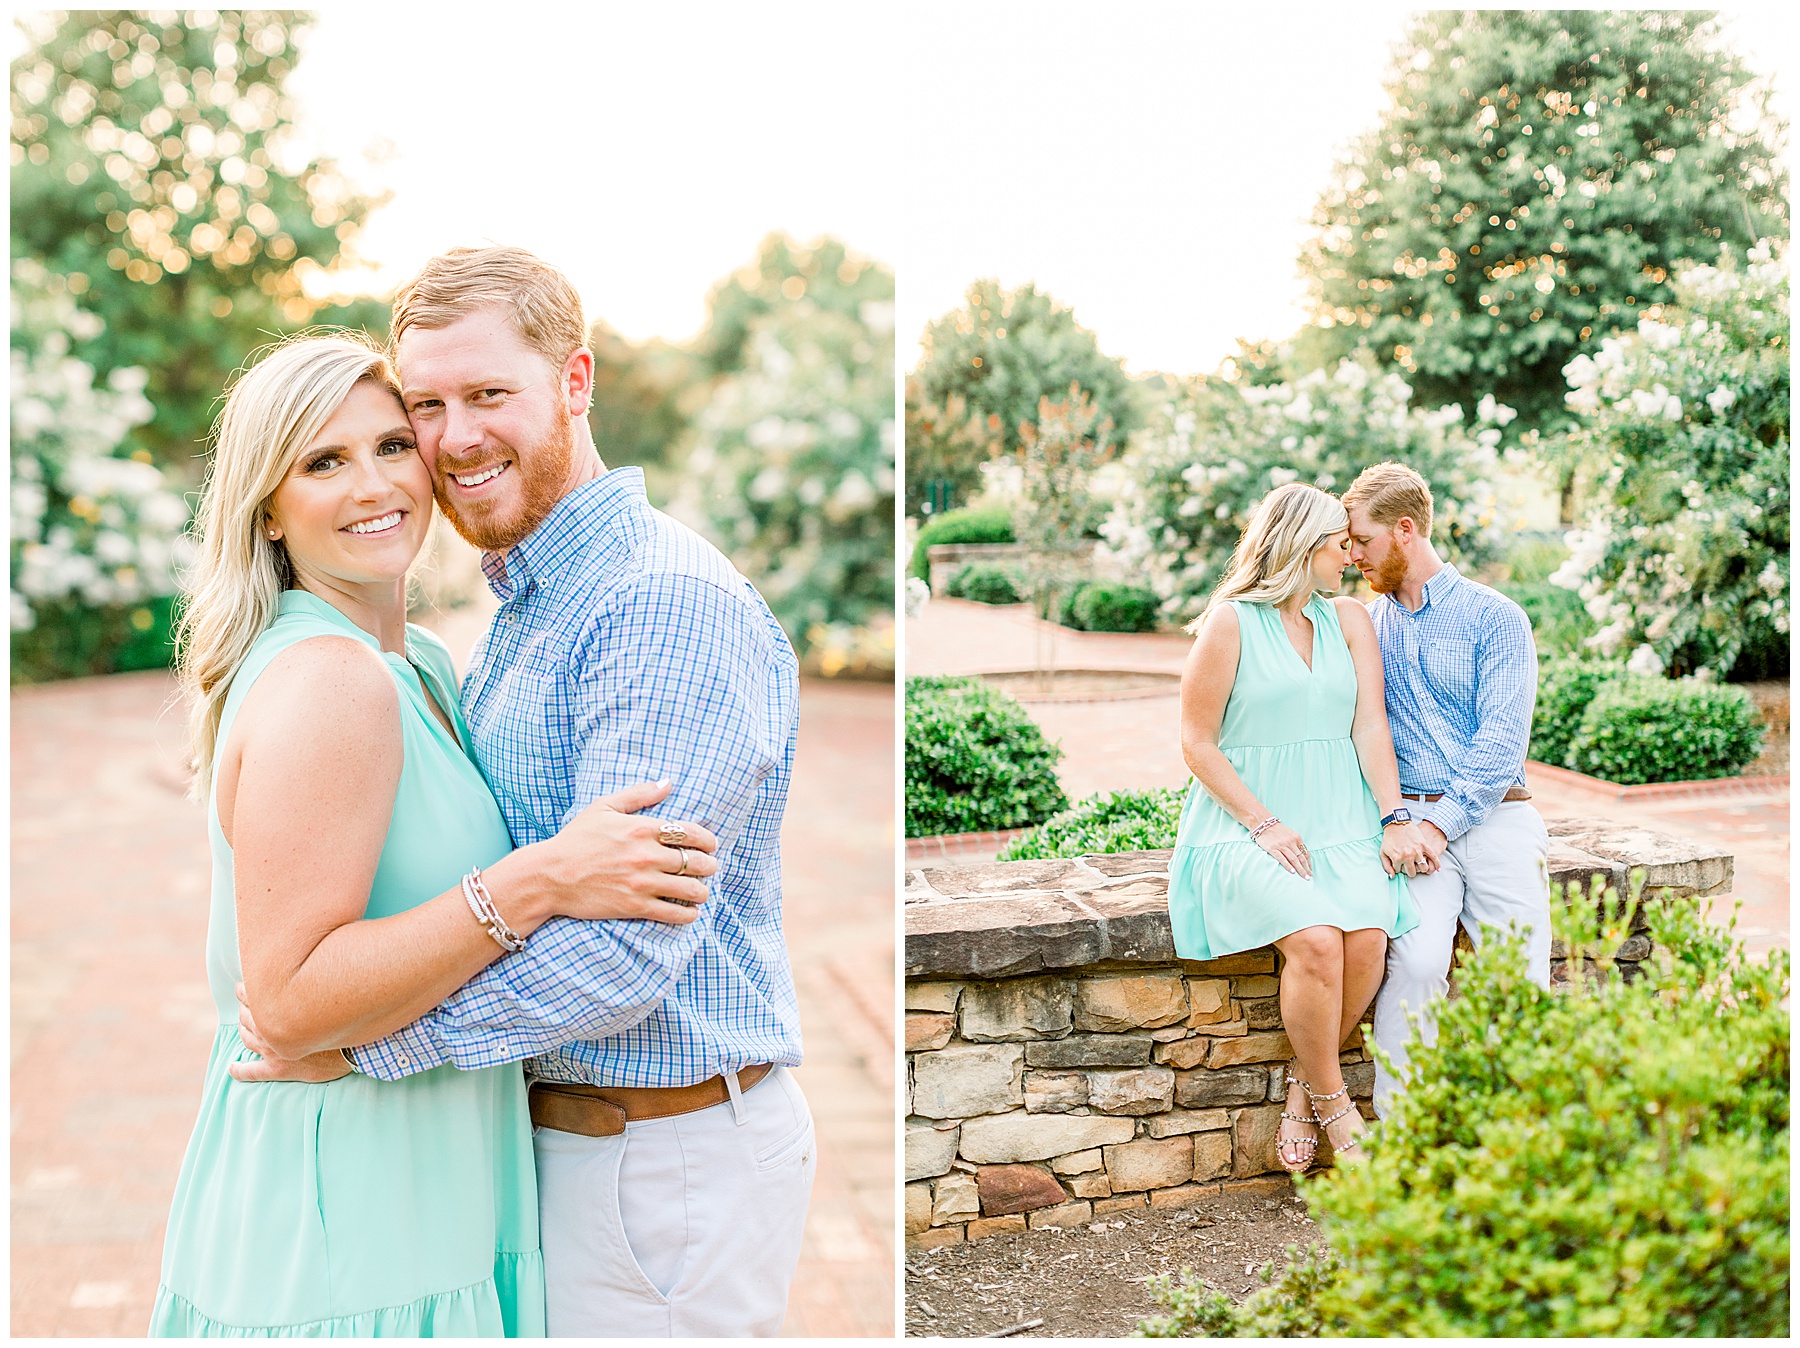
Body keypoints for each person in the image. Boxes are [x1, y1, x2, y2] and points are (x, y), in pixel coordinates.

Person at [237, 247, 815, 1338]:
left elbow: (625, 952)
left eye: (490, 393)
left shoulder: (658, 606)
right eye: (429, 406)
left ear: (576, 382)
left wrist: (364, 1046)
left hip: (658, 1162)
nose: (456, 438)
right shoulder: (529, 605)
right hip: (563, 1154)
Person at [152, 334, 720, 1336]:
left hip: (428, 1179)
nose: (374, 483)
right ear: (268, 507)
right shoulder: (333, 682)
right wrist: (536, 881)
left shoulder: (413, 661)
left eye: (389, 444)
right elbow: (285, 1003)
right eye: (323, 462)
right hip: (357, 1212)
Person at [1168, 482, 1428, 1171]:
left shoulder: (1348, 617)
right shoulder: (1230, 623)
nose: (1350, 558)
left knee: (1368, 939)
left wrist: (1392, 816)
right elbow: (1197, 743)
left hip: (1341, 814)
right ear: (1300, 547)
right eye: (1339, 547)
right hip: (1248, 820)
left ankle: (1302, 1091)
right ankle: (1338, 1108)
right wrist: (1264, 823)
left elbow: (1369, 724)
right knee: (1316, 941)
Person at [1341, 462, 1548, 1118]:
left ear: (1405, 530)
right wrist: (1401, 820)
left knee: (1519, 980)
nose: (1353, 558)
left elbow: (1500, 745)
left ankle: (1522, 1134)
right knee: (1418, 965)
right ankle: (1406, 1139)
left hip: (1496, 821)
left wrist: (1440, 824)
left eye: (1363, 542)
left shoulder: (1497, 618)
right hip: (1411, 829)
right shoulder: (1365, 626)